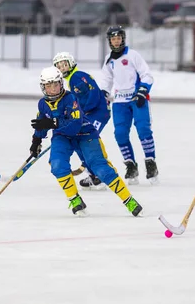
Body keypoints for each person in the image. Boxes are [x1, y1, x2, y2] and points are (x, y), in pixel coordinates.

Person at [29, 66, 143, 217]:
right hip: (62, 137)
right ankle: (75, 200)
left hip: (85, 133)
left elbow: (74, 124)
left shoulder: (70, 99)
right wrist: (36, 140)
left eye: (56, 84)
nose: (53, 89)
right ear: (43, 87)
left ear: (61, 84)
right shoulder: (42, 104)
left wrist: (53, 124)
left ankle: (128, 200)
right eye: (49, 86)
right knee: (57, 165)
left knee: (100, 169)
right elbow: (42, 123)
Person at [98, 25, 158, 185]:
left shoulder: (133, 55)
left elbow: (147, 75)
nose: (116, 41)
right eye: (113, 39)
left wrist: (142, 91)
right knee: (120, 134)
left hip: (137, 98)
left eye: (118, 38)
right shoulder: (108, 59)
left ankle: (151, 163)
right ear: (110, 41)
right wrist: (103, 92)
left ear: (122, 39)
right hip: (119, 102)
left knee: (143, 129)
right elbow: (106, 79)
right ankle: (130, 165)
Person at [52, 51, 111, 190]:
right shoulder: (73, 78)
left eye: (64, 64)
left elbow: (94, 95)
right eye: (59, 66)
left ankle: (104, 174)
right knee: (80, 140)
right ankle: (95, 173)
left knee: (89, 140)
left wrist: (80, 112)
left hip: (98, 113)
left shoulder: (76, 77)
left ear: (71, 64)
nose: (62, 68)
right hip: (93, 113)